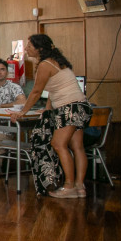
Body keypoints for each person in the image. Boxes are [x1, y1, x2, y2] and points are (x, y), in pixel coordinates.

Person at [10, 34, 92, 198]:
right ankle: (79, 187)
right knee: (77, 147)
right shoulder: (57, 62)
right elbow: (54, 91)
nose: (26, 49)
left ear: (40, 49)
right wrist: (47, 109)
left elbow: (36, 92)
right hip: (80, 106)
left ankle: (68, 186)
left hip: (69, 108)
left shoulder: (45, 65)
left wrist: (23, 112)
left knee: (58, 144)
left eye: (30, 46)